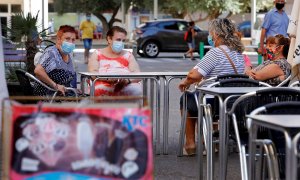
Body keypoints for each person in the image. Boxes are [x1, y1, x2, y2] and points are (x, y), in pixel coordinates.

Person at [178, 18, 245, 155]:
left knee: (186, 99)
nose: (210, 35)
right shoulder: (238, 53)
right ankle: (209, 142)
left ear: (216, 34)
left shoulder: (215, 52)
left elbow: (194, 75)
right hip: (232, 101)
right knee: (204, 101)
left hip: (212, 101)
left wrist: (185, 82)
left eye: (211, 32)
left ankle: (190, 144)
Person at [88, 26, 142, 96]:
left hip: (127, 86)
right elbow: (93, 72)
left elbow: (137, 74)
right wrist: (108, 79)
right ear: (109, 39)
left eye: (123, 41)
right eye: (118, 40)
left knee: (137, 90)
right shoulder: (97, 54)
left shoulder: (128, 55)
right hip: (101, 86)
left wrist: (127, 80)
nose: (121, 43)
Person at [34, 25, 77, 97]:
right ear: (58, 39)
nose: (71, 42)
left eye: (73, 40)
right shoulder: (51, 53)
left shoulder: (68, 54)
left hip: (62, 95)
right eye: (67, 39)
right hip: (48, 96)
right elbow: (38, 71)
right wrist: (55, 86)